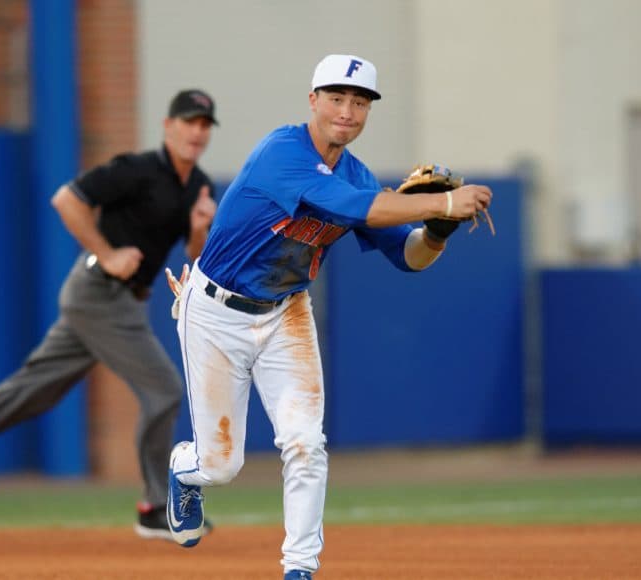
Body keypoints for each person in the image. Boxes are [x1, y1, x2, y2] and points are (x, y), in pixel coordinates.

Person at [163, 55, 492, 579]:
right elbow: (360, 209)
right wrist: (445, 203)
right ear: (312, 100)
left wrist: (436, 233)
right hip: (215, 314)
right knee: (221, 466)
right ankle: (186, 471)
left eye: (359, 102)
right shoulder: (281, 153)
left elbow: (409, 258)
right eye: (336, 98)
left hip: (285, 313)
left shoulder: (357, 175)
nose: (347, 111)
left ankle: (300, 570)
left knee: (305, 443)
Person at [0, 89, 220, 540]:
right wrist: (107, 254)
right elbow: (67, 199)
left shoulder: (197, 185)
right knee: (164, 389)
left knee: (36, 390)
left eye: (205, 124)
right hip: (100, 292)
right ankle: (155, 506)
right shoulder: (137, 169)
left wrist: (201, 227)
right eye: (189, 121)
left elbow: (195, 254)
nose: (197, 131)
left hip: (120, 301)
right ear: (168, 126)